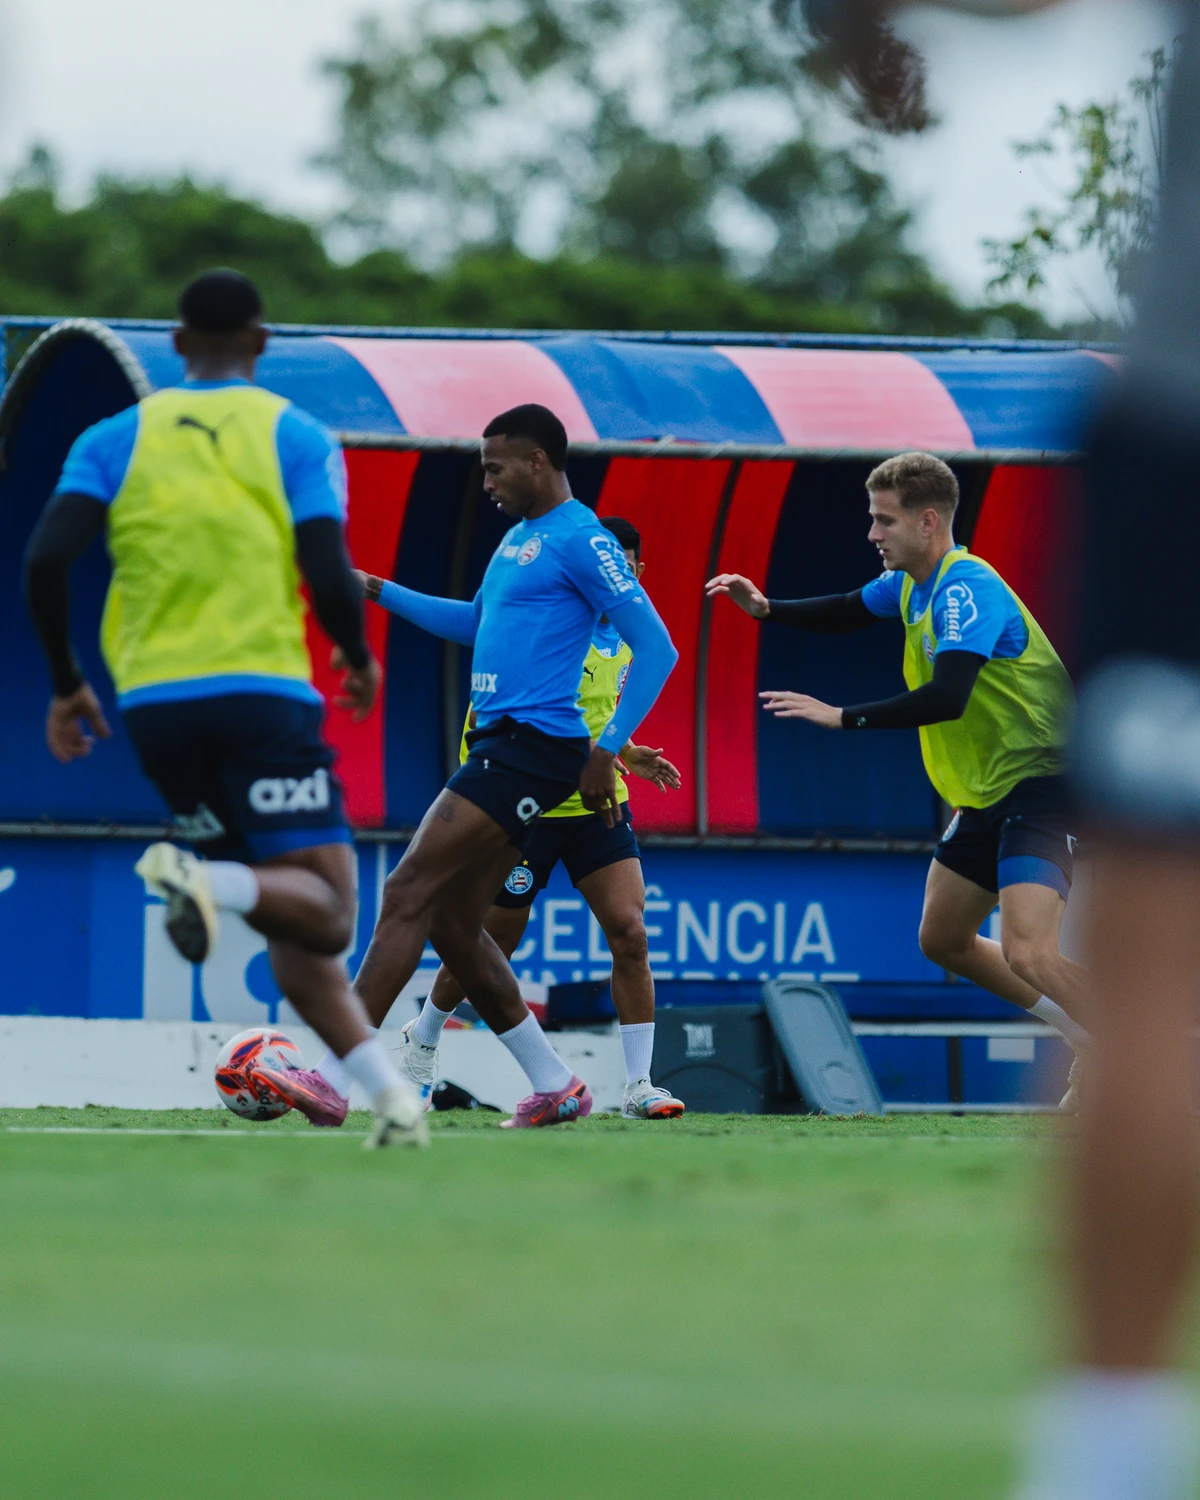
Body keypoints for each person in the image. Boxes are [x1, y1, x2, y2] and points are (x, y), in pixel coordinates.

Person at [22, 268, 426, 1149]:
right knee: (330, 909)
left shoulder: (113, 437)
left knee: (288, 920)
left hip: (154, 707)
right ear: (260, 342)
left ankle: (390, 1098)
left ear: (176, 345)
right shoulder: (297, 434)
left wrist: (65, 682)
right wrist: (357, 652)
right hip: (260, 695)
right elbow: (325, 563)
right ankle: (205, 882)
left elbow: (45, 562)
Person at [310, 403, 679, 1128]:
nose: (486, 482)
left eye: (494, 467)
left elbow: (658, 648)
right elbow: (475, 622)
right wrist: (376, 587)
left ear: (537, 461)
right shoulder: (516, 540)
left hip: (530, 749)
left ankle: (332, 1074)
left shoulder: (582, 538)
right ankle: (554, 1083)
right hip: (500, 747)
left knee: (409, 888)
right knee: (454, 921)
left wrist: (608, 750)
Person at [707, 451, 1091, 1103]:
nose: (872, 533)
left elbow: (949, 696)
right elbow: (847, 608)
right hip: (987, 792)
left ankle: (1150, 1062)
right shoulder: (911, 586)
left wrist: (842, 717)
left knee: (1028, 951)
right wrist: (768, 609)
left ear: (928, 521)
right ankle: (1092, 1036)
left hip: (1043, 783)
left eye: (884, 520)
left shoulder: (966, 589)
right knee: (943, 939)